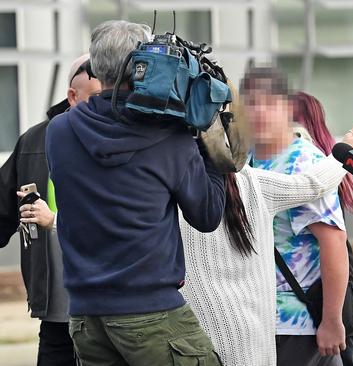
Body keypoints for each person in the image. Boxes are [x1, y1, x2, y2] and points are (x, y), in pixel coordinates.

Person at [45, 20, 226, 366]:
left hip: (86, 317)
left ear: (96, 67)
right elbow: (207, 215)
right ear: (143, 65)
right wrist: (208, 137)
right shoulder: (169, 137)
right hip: (152, 312)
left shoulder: (59, 131)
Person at [180, 108, 353, 366]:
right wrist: (344, 152)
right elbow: (311, 185)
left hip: (199, 333)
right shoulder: (250, 182)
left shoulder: (165, 186)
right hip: (259, 333)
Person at [0, 53, 101, 366]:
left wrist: (52, 220)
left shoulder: (122, 141)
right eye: (98, 97)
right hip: (58, 313)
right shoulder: (33, 141)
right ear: (73, 96)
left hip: (111, 310)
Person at [292, 91, 353, 366]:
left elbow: (332, 240)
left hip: (321, 304)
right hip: (345, 297)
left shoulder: (312, 168)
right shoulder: (331, 167)